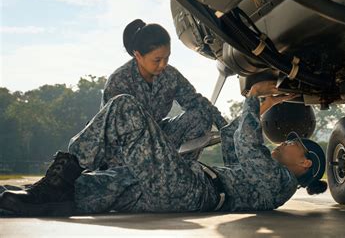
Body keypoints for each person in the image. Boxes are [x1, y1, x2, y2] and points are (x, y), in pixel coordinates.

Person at [0, 81, 327, 216]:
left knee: (124, 106)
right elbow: (234, 145)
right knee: (98, 187)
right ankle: (43, 193)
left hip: (188, 187)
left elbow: (246, 143)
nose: (285, 141)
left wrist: (254, 100)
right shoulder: (266, 182)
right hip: (181, 188)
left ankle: (57, 182)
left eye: (294, 143)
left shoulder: (280, 182)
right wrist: (219, 113)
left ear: (306, 165)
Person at [104, 19, 227, 155]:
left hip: (157, 138)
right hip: (125, 149)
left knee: (201, 115)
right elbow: (115, 133)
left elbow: (197, 102)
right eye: (157, 60)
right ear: (138, 55)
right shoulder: (119, 81)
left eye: (167, 58)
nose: (163, 65)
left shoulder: (170, 75)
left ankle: (183, 170)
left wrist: (226, 129)